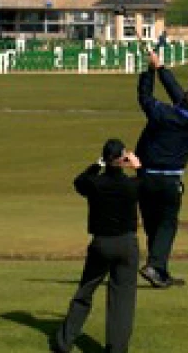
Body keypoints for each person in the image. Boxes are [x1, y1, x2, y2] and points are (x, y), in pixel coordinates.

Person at [53, 138, 141, 353]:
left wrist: (99, 163)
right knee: (122, 299)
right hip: (127, 244)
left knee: (85, 290)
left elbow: (79, 181)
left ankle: (64, 342)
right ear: (122, 159)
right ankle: (116, 349)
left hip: (101, 243)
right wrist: (138, 167)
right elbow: (147, 185)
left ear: (106, 158)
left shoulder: (95, 184)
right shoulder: (131, 185)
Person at [134, 46, 188, 289]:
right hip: (169, 182)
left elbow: (145, 97)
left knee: (154, 225)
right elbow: (180, 97)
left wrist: (151, 70)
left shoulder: (161, 113)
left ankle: (159, 271)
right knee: (167, 224)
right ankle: (156, 267)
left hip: (144, 178)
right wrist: (161, 68)